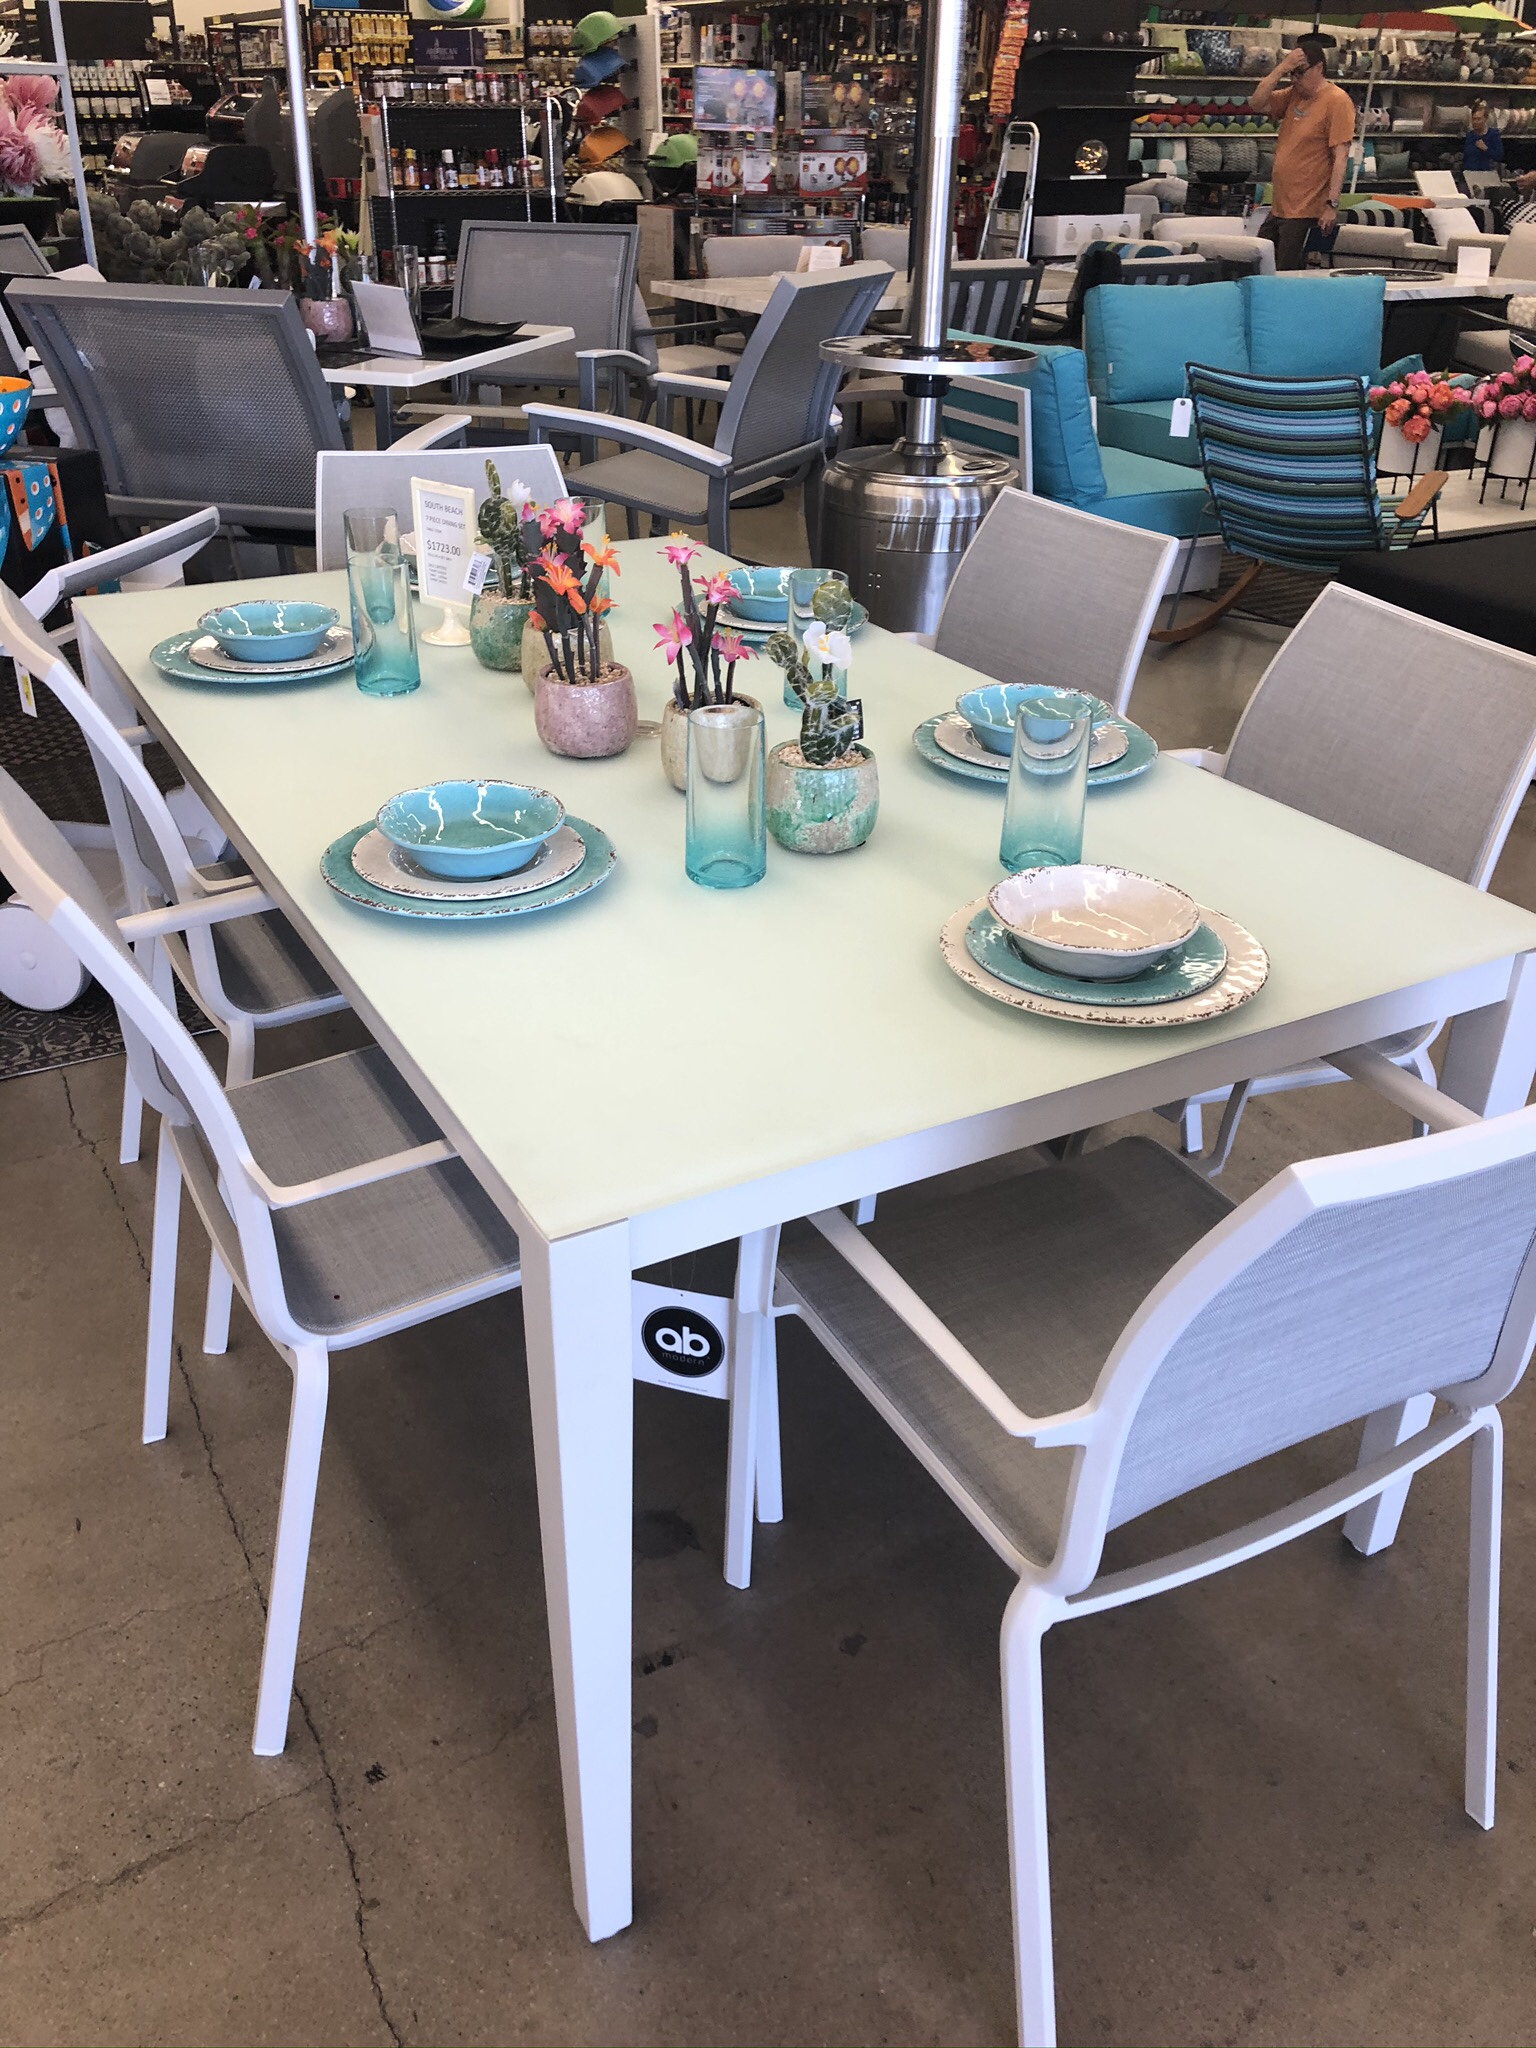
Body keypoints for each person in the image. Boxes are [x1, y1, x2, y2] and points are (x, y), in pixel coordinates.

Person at [1248, 37, 1356, 271]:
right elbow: (1256, 103)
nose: (1295, 79)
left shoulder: (1337, 101)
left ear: (1319, 68)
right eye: (1292, 74)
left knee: (1285, 273)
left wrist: (1331, 204)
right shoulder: (1293, 94)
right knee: (1257, 266)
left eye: (1300, 72)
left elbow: (1340, 157)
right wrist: (1281, 68)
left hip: (1305, 210)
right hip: (1279, 206)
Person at [1465, 104, 1505, 172]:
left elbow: (1499, 156)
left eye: (1479, 119)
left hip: (1487, 173)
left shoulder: (1493, 134)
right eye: (1474, 119)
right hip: (1470, 173)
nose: (1475, 122)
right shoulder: (1470, 135)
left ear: (1485, 119)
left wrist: (1486, 149)